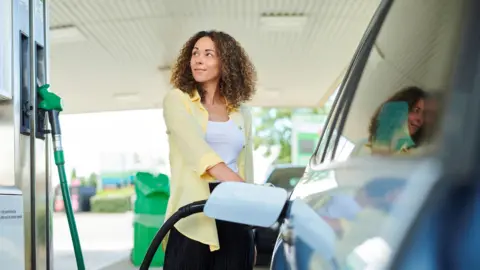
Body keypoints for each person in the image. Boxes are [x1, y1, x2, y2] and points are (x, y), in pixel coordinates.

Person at [162, 30, 257, 269]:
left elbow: (248, 165)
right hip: (192, 216)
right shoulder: (177, 100)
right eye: (195, 53)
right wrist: (246, 190)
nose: (198, 59)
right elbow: (197, 150)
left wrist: (251, 221)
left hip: (234, 212)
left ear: (225, 62)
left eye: (208, 54)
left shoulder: (242, 112)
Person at [350, 86, 427, 157]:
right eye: (416, 110)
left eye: (424, 114)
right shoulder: (361, 146)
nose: (420, 118)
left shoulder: (412, 159)